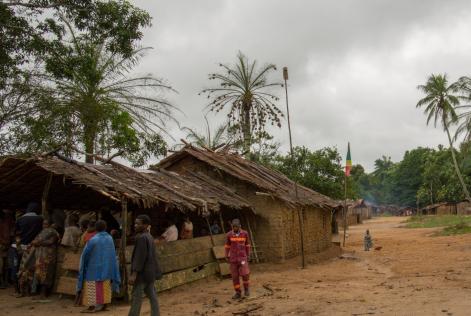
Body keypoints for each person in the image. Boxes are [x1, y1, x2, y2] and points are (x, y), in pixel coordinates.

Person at [77, 220, 120, 313]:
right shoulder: (110, 238)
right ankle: (104, 305)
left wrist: (83, 266)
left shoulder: (93, 240)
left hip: (94, 267)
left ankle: (92, 307)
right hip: (107, 267)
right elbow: (113, 253)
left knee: (92, 285)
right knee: (105, 285)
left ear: (95, 228)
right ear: (105, 228)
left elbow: (85, 254)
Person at [128, 215, 162, 316]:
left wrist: (134, 274)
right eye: (135, 223)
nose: (135, 225)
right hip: (150, 273)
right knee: (152, 296)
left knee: (136, 297)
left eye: (138, 223)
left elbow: (140, 257)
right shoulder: (149, 236)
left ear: (145, 225)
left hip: (142, 274)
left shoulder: (142, 238)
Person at [31, 219, 59, 299]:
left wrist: (38, 243)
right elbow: (34, 241)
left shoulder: (53, 232)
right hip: (40, 257)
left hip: (48, 257)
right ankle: (40, 293)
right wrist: (36, 242)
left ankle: (44, 294)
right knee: (39, 275)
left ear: (50, 225)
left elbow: (51, 242)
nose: (44, 226)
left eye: (46, 224)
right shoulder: (42, 232)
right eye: (43, 224)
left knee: (46, 275)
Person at [225, 219, 251, 299]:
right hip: (233, 259)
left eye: (236, 226)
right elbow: (227, 246)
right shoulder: (229, 235)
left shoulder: (245, 233)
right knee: (235, 276)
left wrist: (248, 254)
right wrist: (226, 255)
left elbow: (247, 245)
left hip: (242, 258)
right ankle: (238, 292)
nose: (235, 228)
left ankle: (246, 290)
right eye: (233, 227)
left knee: (245, 274)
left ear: (240, 226)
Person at [0, 209, 14, 289]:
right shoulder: (3, 223)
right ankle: (2, 282)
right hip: (2, 246)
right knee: (1, 265)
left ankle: (5, 281)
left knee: (6, 265)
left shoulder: (8, 223)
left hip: (6, 246)